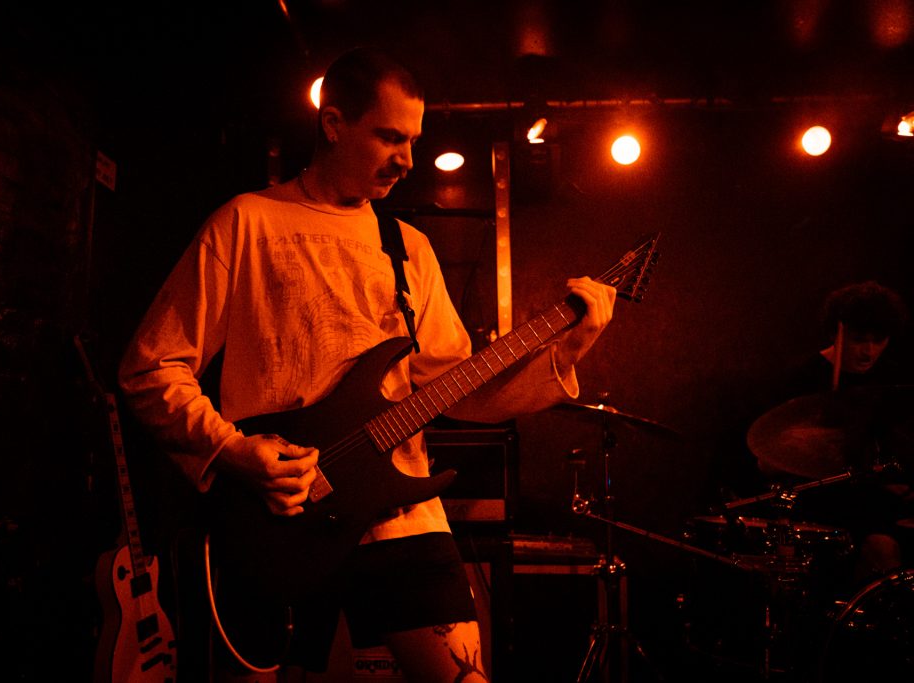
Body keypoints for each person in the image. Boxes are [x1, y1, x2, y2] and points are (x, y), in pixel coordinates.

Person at [118, 46, 616, 682]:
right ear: (332, 123)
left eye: (413, 140)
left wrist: (566, 349)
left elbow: (457, 392)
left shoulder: (409, 248)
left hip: (401, 518)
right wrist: (234, 452)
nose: (407, 160)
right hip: (279, 521)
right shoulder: (245, 223)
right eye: (389, 136)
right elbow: (149, 367)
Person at [753, 281, 913, 584]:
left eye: (878, 340)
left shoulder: (891, 381)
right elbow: (769, 461)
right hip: (817, 501)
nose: (869, 351)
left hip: (871, 500)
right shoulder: (802, 380)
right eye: (858, 339)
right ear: (835, 333)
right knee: (880, 548)